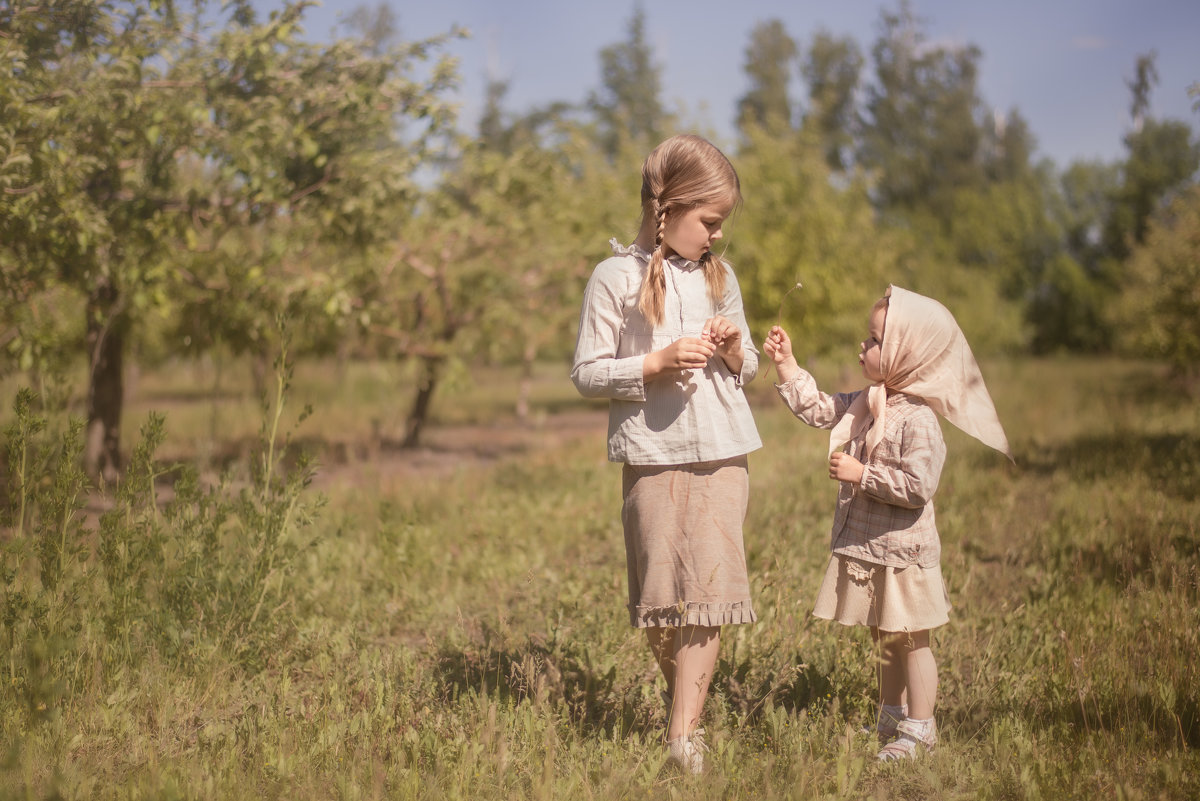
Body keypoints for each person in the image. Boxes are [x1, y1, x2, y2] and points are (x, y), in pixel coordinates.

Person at [571, 134, 762, 774]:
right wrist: (653, 363)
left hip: (721, 451)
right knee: (661, 597)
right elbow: (587, 373)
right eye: (708, 222)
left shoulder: (721, 277)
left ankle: (684, 736)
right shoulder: (615, 278)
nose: (713, 237)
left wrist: (734, 346)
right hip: (651, 455)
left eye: (719, 225)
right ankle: (686, 702)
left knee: (709, 591)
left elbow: (750, 366)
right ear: (668, 206)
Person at [762, 286, 1012, 761]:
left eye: (874, 340)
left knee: (912, 638)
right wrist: (788, 366)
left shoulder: (918, 418)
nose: (863, 347)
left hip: (903, 554)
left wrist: (863, 474)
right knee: (883, 632)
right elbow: (819, 409)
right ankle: (892, 716)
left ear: (903, 355)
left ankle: (921, 728)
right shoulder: (868, 400)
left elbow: (918, 485)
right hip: (871, 547)